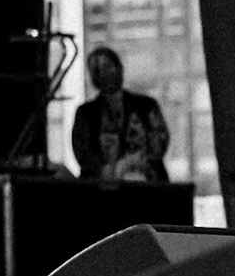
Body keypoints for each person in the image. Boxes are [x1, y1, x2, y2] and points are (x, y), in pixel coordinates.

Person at [69, 46, 171, 182]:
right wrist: (110, 170)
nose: (102, 73)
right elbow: (83, 154)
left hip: (147, 184)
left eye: (107, 66)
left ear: (118, 68)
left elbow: (160, 142)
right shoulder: (86, 113)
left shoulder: (146, 105)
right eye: (96, 69)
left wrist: (135, 162)